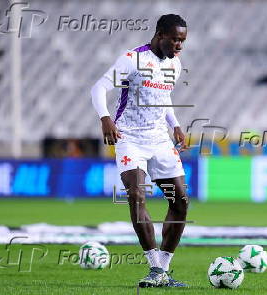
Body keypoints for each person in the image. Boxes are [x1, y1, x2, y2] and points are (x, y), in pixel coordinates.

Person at [91, 14, 189, 288]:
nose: (179, 46)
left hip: (159, 139)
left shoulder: (175, 64)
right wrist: (105, 117)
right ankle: (154, 268)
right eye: (175, 39)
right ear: (160, 34)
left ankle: (164, 270)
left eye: (183, 40)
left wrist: (176, 125)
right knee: (136, 194)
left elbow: (164, 96)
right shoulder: (132, 59)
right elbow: (99, 87)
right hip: (129, 138)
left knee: (180, 201)